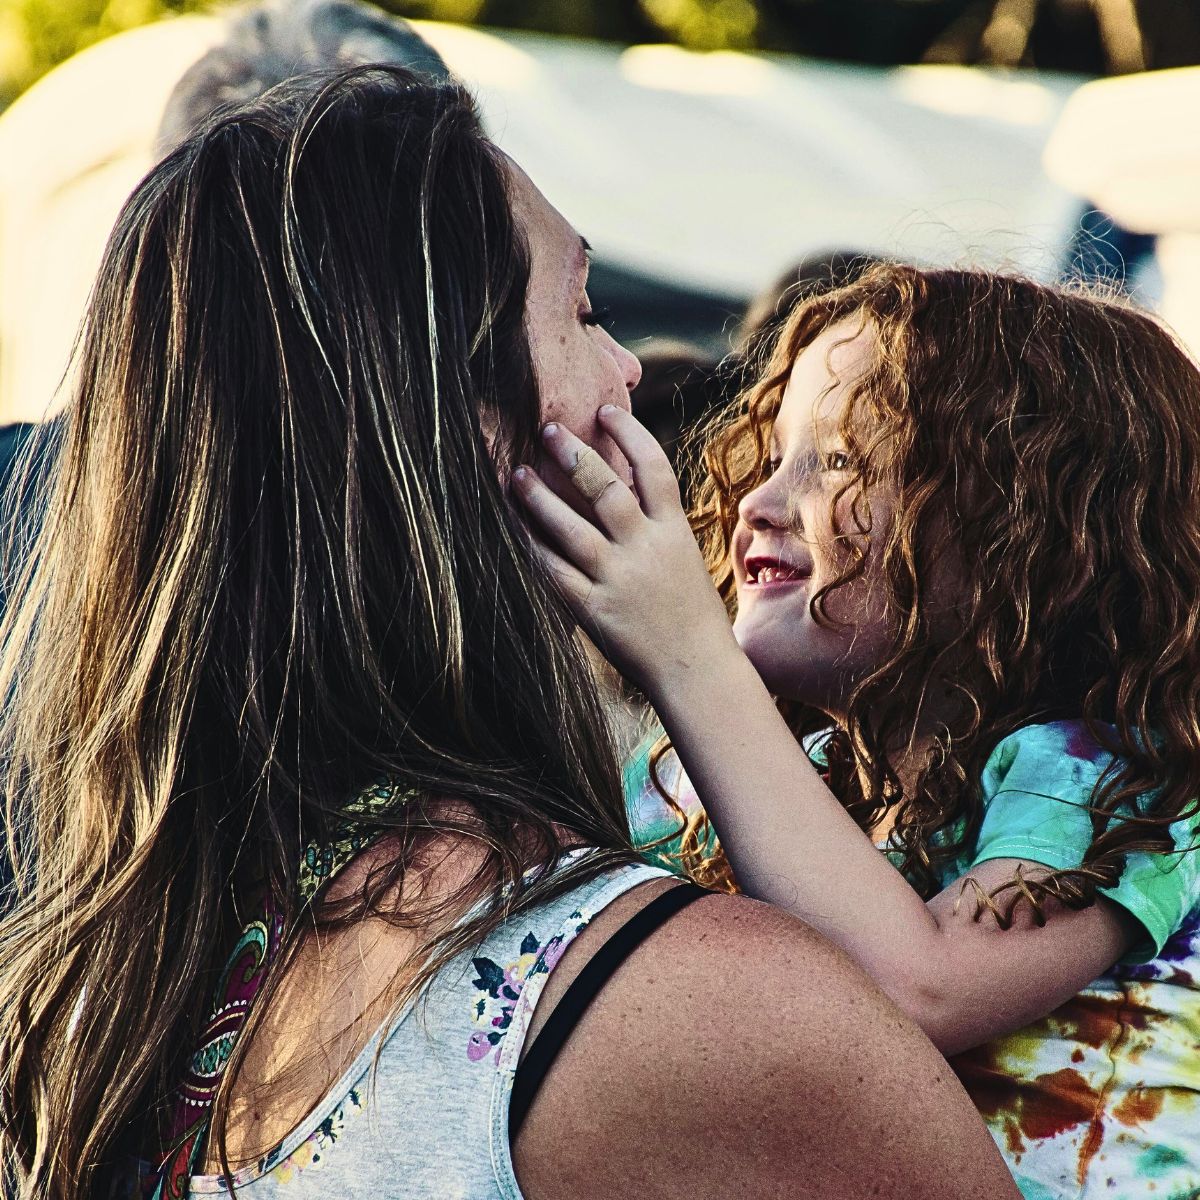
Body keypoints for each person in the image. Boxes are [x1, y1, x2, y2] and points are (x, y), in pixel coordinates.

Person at [0, 70, 1017, 1200]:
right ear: (470, 427)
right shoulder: (708, 1016)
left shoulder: (97, 1001)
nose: (629, 369)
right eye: (584, 312)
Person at [515, 263, 1200, 1200]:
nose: (757, 501)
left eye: (837, 460)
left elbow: (921, 989)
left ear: (1028, 528)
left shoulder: (1111, 775)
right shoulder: (799, 782)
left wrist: (689, 659)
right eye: (775, 454)